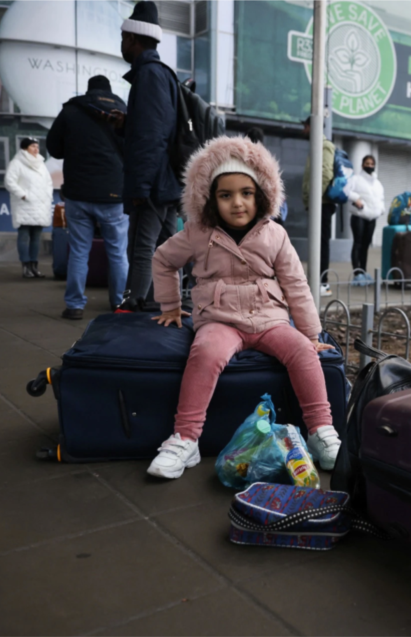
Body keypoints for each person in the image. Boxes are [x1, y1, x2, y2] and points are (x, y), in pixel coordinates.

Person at [147, 136, 340, 479]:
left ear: (261, 194)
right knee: (205, 354)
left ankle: (322, 432)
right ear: (210, 199)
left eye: (246, 193)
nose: (237, 203)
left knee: (302, 352)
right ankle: (185, 439)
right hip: (220, 319)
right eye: (225, 195)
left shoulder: (275, 234)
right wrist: (172, 305)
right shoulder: (197, 232)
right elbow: (163, 260)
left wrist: (310, 333)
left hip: (270, 319)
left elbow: (296, 283)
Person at [112, 1, 181, 312]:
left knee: (142, 248)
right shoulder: (161, 74)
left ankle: (131, 307)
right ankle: (166, 305)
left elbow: (153, 136)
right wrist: (127, 125)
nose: (122, 44)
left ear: (133, 39)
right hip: (165, 181)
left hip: (153, 182)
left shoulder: (150, 75)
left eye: (123, 38)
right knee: (167, 250)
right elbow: (155, 128)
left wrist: (140, 187)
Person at [47, 75, 129, 319]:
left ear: (88, 90)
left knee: (79, 251)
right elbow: (133, 147)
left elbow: (54, 148)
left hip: (78, 192)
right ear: (110, 91)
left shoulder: (71, 111)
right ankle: (119, 303)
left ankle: (74, 305)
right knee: (117, 252)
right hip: (114, 193)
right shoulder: (122, 112)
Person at [5, 137, 53, 279]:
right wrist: (24, 195)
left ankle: (34, 267)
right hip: (24, 205)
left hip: (40, 205)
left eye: (37, 147)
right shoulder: (16, 163)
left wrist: (47, 196)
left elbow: (48, 183)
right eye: (33, 146)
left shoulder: (41, 164)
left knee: (36, 238)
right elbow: (9, 182)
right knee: (24, 235)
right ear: (25, 148)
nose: (36, 149)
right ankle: (25, 267)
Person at [300, 116, 336, 297]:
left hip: (322, 204)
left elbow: (325, 174)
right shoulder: (315, 146)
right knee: (317, 243)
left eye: (305, 126)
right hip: (316, 204)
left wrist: (314, 198)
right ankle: (315, 280)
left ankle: (323, 282)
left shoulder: (325, 146)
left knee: (322, 243)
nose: (303, 130)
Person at [346, 154, 385, 285]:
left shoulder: (377, 183)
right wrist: (356, 200)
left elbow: (381, 199)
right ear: (362, 165)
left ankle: (363, 271)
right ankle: (357, 273)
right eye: (367, 163)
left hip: (372, 217)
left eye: (372, 164)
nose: (370, 166)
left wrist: (380, 210)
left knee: (365, 246)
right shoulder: (355, 179)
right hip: (359, 216)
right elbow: (347, 191)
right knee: (358, 243)